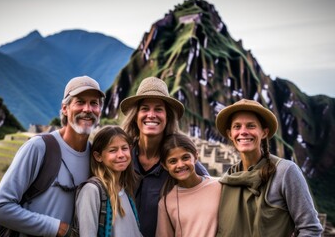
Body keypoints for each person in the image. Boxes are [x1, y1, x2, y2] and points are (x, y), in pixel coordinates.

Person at [0, 75, 105, 237]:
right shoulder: (39, 147)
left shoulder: (95, 158)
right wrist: (58, 228)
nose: (87, 109)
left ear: (100, 110)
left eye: (94, 103)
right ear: (65, 108)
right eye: (80, 102)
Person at [215, 98, 323, 236]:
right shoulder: (228, 179)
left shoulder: (285, 172)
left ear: (264, 132)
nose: (243, 132)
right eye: (237, 126)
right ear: (230, 134)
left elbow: (310, 228)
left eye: (251, 126)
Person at [120, 76, 209, 237]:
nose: (151, 115)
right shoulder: (122, 157)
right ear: (136, 116)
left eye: (158, 109)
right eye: (145, 108)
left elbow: (207, 188)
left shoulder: (179, 162)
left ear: (167, 117)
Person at [74, 125, 142, 237]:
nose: (121, 155)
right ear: (98, 156)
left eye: (124, 148)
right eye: (113, 150)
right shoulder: (91, 191)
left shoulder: (125, 188)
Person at [155, 133, 222, 237]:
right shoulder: (166, 203)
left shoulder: (219, 186)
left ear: (195, 157)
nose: (180, 165)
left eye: (185, 158)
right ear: (164, 165)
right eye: (173, 161)